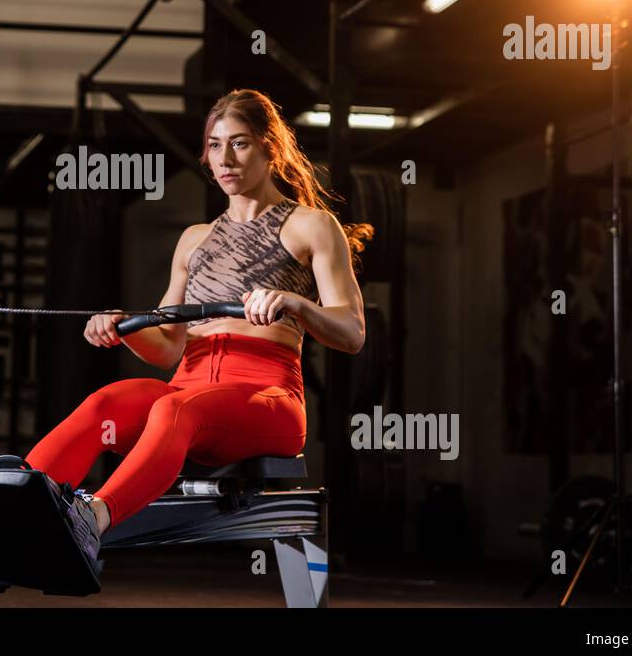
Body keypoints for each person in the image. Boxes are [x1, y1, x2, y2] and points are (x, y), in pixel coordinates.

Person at [26, 89, 372, 563]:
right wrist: (122, 327)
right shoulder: (195, 240)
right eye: (213, 144)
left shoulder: (311, 226)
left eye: (240, 143)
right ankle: (11, 508)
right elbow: (168, 347)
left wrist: (295, 304)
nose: (224, 158)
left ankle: (92, 521)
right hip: (188, 391)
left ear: (271, 147)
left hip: (267, 400)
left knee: (175, 412)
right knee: (104, 403)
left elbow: (351, 333)